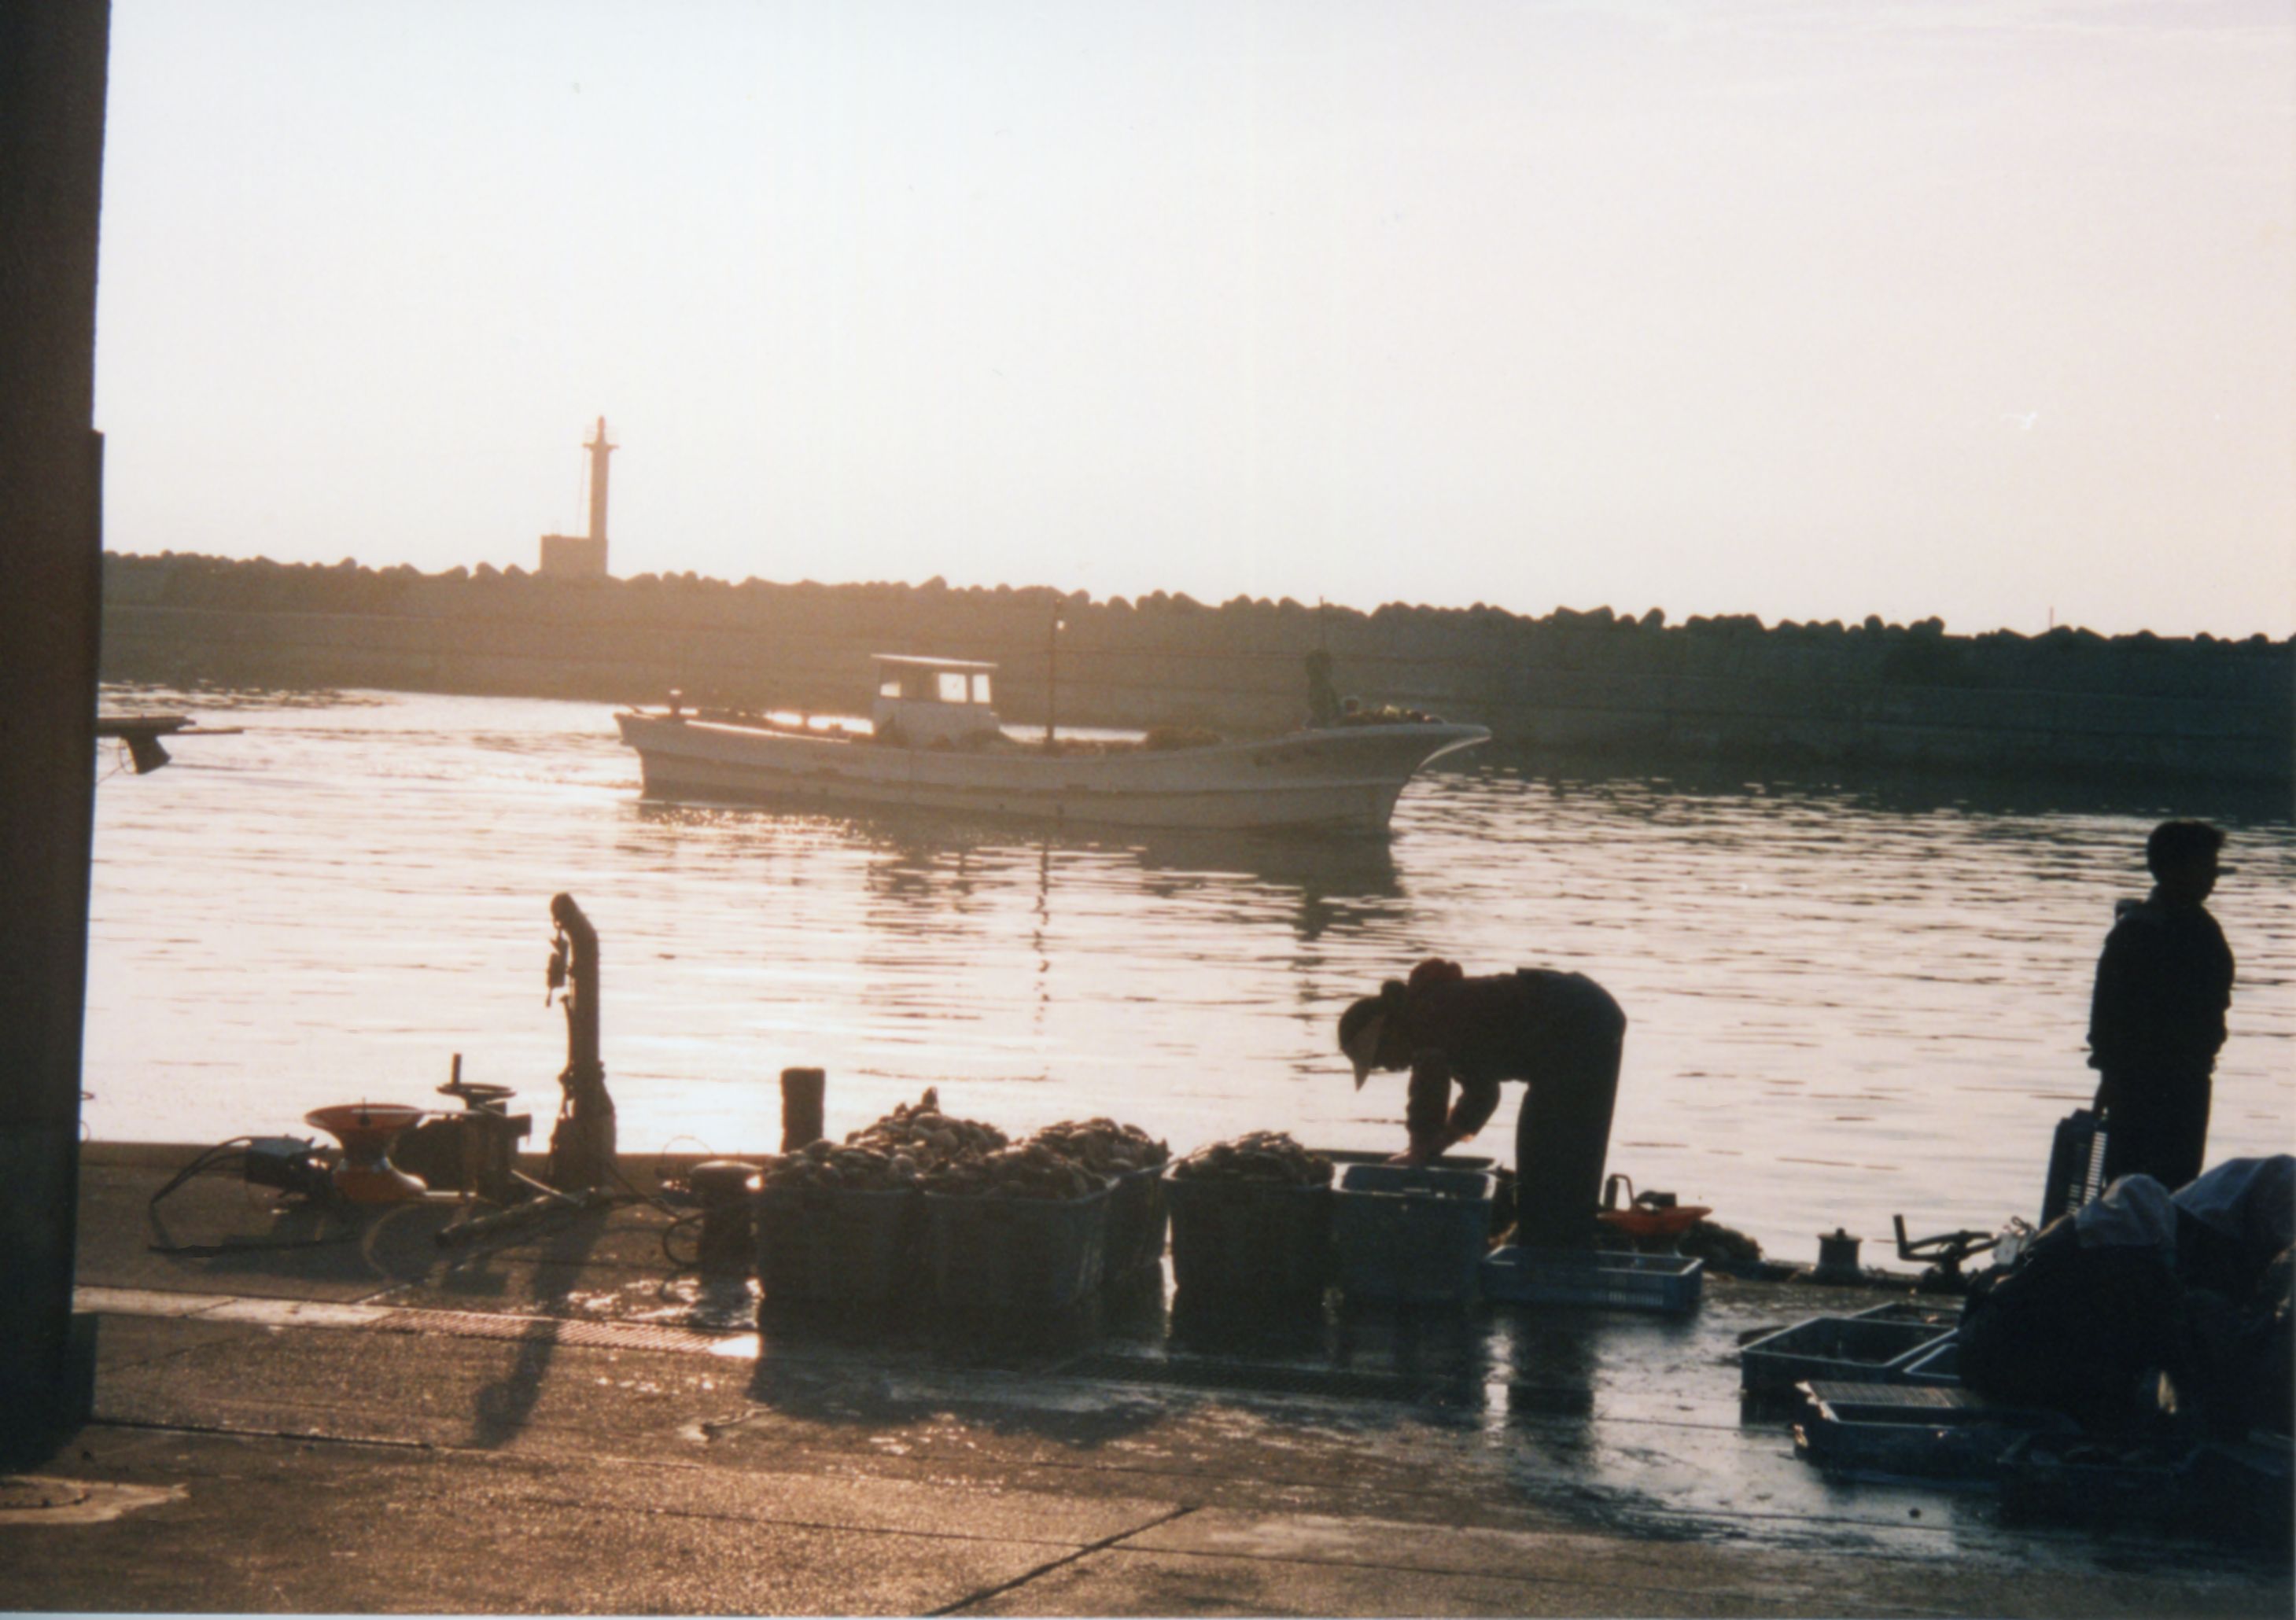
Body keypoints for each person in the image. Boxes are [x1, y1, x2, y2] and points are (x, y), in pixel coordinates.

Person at [1337, 959, 1625, 1249]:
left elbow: (1428, 1089)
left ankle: (1555, 1246)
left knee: (1557, 1149)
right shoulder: (1445, 1027)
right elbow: (1483, 1096)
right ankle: (1546, 1237)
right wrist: (1435, 1147)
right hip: (1580, 1017)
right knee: (1540, 1153)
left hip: (1580, 1020)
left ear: (1388, 1030)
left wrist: (1418, 1148)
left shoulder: (1427, 1015)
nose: (1387, 1066)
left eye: (1380, 1058)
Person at [2087, 819, 2235, 1191]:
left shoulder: (2198, 927)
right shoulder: (2137, 932)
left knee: (2177, 1186)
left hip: (2188, 1080)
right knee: (2132, 1188)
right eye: (2207, 866)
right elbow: (2107, 1014)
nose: (2214, 876)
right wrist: (2110, 1074)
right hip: (2142, 1084)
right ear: (2172, 868)